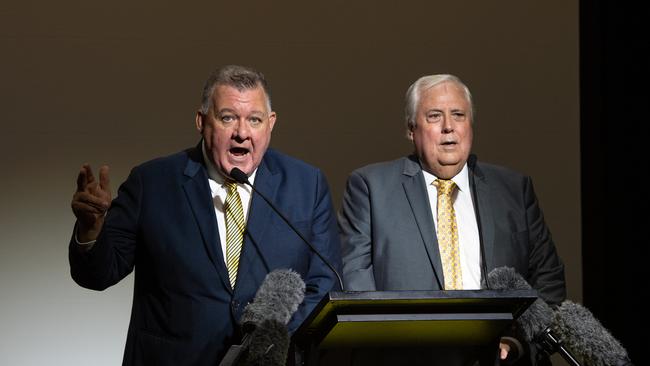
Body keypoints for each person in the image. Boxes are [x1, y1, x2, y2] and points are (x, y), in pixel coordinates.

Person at [69, 65, 341, 365]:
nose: (242, 132)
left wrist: (267, 341)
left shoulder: (306, 184)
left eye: (254, 120)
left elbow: (325, 284)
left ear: (271, 124)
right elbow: (97, 275)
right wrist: (91, 229)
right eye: (227, 118)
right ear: (201, 121)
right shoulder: (152, 183)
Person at [338, 74, 566, 365]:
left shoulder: (513, 189)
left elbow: (548, 281)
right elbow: (357, 285)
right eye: (435, 116)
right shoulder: (370, 188)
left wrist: (517, 342)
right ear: (411, 129)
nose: (449, 127)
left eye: (458, 115)